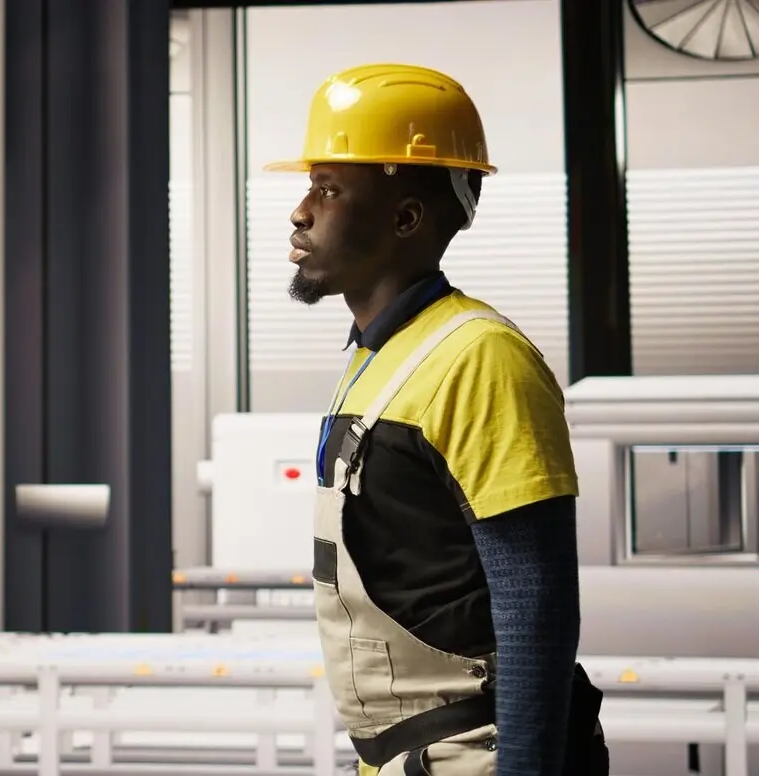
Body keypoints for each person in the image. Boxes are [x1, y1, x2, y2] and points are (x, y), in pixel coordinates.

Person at [265, 63, 607, 776]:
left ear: (407, 217)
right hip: (402, 759)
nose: (301, 211)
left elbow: (534, 608)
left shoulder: (481, 358)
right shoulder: (376, 356)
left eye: (328, 189)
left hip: (474, 758)